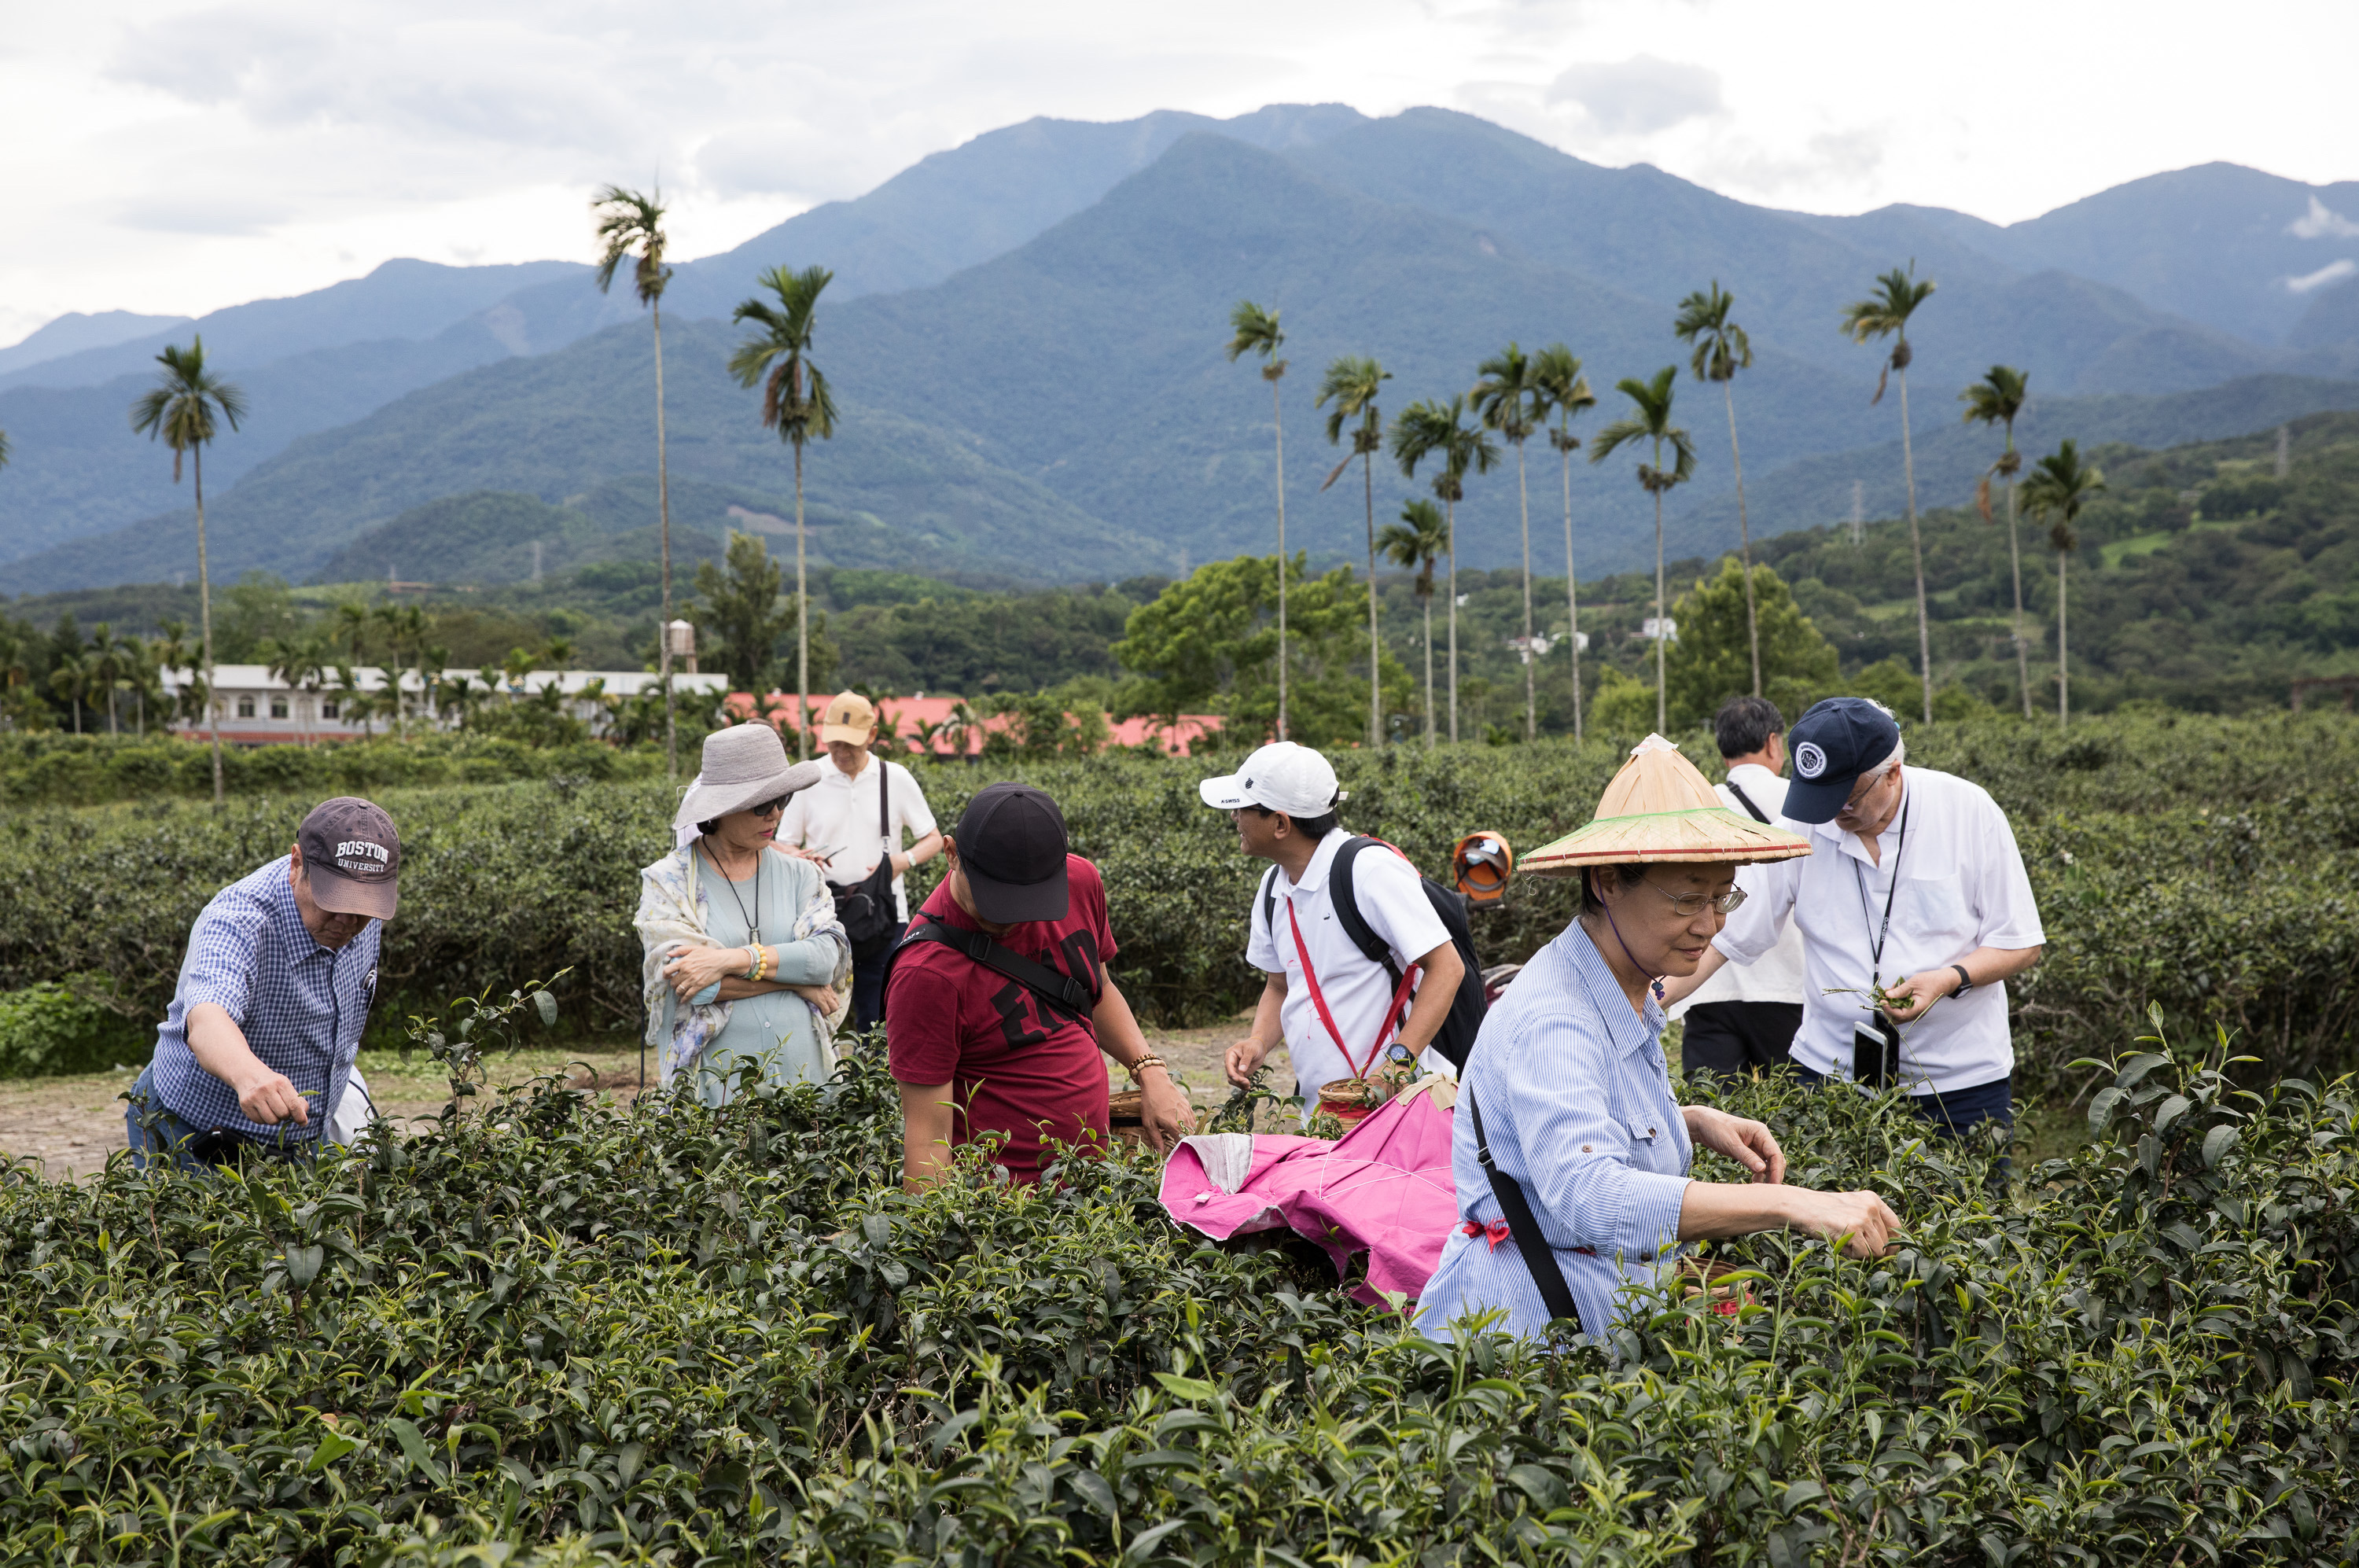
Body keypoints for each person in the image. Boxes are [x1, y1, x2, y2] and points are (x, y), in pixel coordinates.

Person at [1419, 736, 1903, 1342]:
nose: (1709, 925)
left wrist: (1688, 1119)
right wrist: (1794, 1204)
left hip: (1601, 1316)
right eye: (1686, 900)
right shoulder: (1555, 1017)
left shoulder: (1627, 984)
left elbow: (1571, 1114)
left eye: (1722, 896)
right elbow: (1591, 1196)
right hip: (1526, 1344)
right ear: (1608, 882)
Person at [1664, 697, 2045, 1137]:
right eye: (1820, 798)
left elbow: (2020, 942)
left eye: (1846, 797)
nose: (1832, 814)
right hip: (1830, 1074)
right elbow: (1729, 939)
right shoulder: (1806, 824)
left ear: (1893, 773)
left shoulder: (1969, 812)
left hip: (1959, 1083)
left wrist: (1949, 978)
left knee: (1969, 1202)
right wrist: (1641, 1001)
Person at [886, 782, 1194, 1188]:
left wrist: (1150, 1072)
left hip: (1092, 1182)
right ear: (951, 854)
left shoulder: (1080, 881)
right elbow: (928, 1140)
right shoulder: (925, 974)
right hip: (1005, 1210)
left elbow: (1096, 988)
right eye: (999, 900)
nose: (1015, 918)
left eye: (1032, 900)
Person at [127, 797, 401, 1171]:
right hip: (196, 1136)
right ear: (297, 863)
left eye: (362, 905)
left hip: (304, 1139)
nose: (346, 920)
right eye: (332, 899)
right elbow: (207, 1016)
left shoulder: (359, 916)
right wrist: (249, 1075)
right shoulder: (239, 919)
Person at [1203, 742, 1467, 1120]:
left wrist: (1396, 1063)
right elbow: (1281, 985)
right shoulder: (1273, 889)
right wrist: (1258, 1041)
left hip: (1405, 1105)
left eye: (1243, 808)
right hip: (1325, 1113)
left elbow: (1447, 967)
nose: (1235, 818)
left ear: (1281, 823)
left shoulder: (1369, 872)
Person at [638, 723, 851, 1106]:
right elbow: (693, 985)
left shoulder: (803, 875)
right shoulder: (668, 882)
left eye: (782, 799)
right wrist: (794, 981)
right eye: (760, 805)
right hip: (716, 1095)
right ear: (721, 809)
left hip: (806, 1084)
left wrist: (729, 960)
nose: (775, 815)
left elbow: (824, 962)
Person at [778, 690, 943, 1034]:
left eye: (851, 743)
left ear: (872, 734)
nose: (842, 752)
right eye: (835, 742)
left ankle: (874, 1082)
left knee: (880, 1009)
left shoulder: (893, 778)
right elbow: (781, 844)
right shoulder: (808, 778)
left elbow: (932, 839)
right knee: (818, 1008)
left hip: (884, 914)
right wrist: (802, 857)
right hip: (822, 911)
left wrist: (900, 861)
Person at [1669, 696, 1809, 1079]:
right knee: (1792, 1117)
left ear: (1723, 747)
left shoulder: (1697, 807)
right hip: (1788, 986)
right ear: (1773, 742)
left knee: (1711, 1111)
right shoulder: (1801, 804)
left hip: (1707, 986)